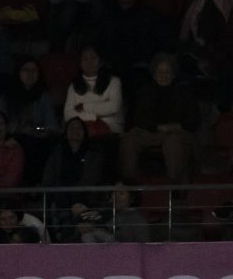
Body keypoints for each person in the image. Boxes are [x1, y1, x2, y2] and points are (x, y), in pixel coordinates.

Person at [119, 54, 200, 183]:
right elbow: (138, 118)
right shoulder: (144, 92)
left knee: (172, 141)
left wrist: (175, 126)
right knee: (128, 139)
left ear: (173, 74)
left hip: (177, 132)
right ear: (153, 74)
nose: (163, 75)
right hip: (149, 132)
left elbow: (194, 120)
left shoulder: (184, 93)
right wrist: (156, 127)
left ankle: (174, 188)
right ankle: (129, 186)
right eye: (160, 71)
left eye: (167, 72)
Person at [0, 56, 60, 186]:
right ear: (19, 72)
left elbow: (51, 127)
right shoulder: (8, 96)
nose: (30, 74)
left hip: (37, 139)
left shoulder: (44, 97)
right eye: (26, 70)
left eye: (34, 70)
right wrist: (18, 130)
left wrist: (35, 130)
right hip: (13, 137)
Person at [63, 45, 125, 135]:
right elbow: (68, 114)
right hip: (83, 129)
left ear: (100, 61)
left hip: (111, 130)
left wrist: (83, 107)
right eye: (85, 59)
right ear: (80, 63)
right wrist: (95, 116)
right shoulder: (74, 86)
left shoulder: (114, 81)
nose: (89, 62)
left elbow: (113, 107)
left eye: (93, 58)